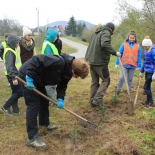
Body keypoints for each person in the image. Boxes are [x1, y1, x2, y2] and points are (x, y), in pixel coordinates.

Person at [18, 53, 89, 150]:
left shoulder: (67, 72)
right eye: (77, 76)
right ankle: (32, 138)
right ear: (73, 70)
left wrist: (60, 99)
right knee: (33, 105)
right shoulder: (58, 61)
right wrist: (29, 76)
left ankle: (44, 122)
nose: (76, 78)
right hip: (27, 75)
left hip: (39, 79)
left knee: (44, 101)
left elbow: (62, 87)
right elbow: (36, 59)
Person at [85, 22, 121, 107]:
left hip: (91, 61)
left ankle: (92, 101)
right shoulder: (106, 32)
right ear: (111, 29)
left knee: (94, 82)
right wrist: (115, 52)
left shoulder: (96, 32)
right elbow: (105, 44)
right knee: (106, 80)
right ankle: (97, 99)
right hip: (100, 62)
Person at [1, 34, 23, 116]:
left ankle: (16, 110)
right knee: (19, 92)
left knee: (15, 92)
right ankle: (5, 107)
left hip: (14, 75)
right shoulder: (9, 51)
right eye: (17, 42)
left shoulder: (11, 49)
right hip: (12, 76)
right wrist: (14, 78)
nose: (18, 44)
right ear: (13, 42)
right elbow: (9, 66)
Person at [41, 28, 59, 105]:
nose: (56, 38)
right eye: (55, 36)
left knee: (53, 85)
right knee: (50, 86)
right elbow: (49, 59)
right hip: (50, 69)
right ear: (52, 36)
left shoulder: (50, 44)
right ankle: (52, 101)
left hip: (53, 68)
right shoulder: (48, 45)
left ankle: (52, 100)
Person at [139, 36, 155, 107]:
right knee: (147, 86)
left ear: (149, 45)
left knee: (146, 87)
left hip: (151, 72)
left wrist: (154, 73)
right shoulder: (145, 51)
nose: (144, 48)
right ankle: (148, 101)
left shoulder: (153, 51)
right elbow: (144, 62)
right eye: (143, 46)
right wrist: (141, 71)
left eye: (145, 46)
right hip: (147, 71)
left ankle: (151, 102)